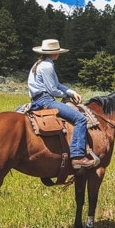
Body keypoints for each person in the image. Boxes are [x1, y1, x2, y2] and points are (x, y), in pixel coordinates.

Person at [28, 39, 97, 170]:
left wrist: (72, 92)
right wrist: (65, 96)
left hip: (38, 99)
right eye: (58, 51)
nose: (59, 54)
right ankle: (77, 157)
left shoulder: (39, 64)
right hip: (46, 100)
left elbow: (57, 85)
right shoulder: (47, 66)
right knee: (81, 119)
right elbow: (52, 90)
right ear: (54, 53)